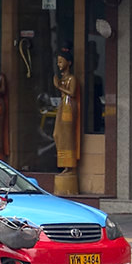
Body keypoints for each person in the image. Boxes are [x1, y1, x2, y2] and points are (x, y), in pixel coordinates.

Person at [53, 42, 80, 174]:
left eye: (61, 61)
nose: (59, 64)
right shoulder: (63, 79)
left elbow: (73, 92)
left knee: (67, 136)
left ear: (68, 62)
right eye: (58, 62)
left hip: (69, 107)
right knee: (57, 134)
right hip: (62, 106)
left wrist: (59, 86)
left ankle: (69, 165)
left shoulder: (71, 79)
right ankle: (62, 162)